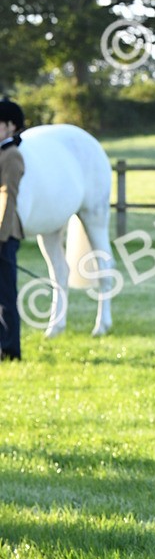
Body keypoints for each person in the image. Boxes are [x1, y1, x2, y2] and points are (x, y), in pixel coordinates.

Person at [0, 98, 25, 362]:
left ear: (11, 127)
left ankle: (10, 350)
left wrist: (0, 235)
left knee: (6, 295)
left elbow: (8, 197)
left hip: (5, 234)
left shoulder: (12, 155)